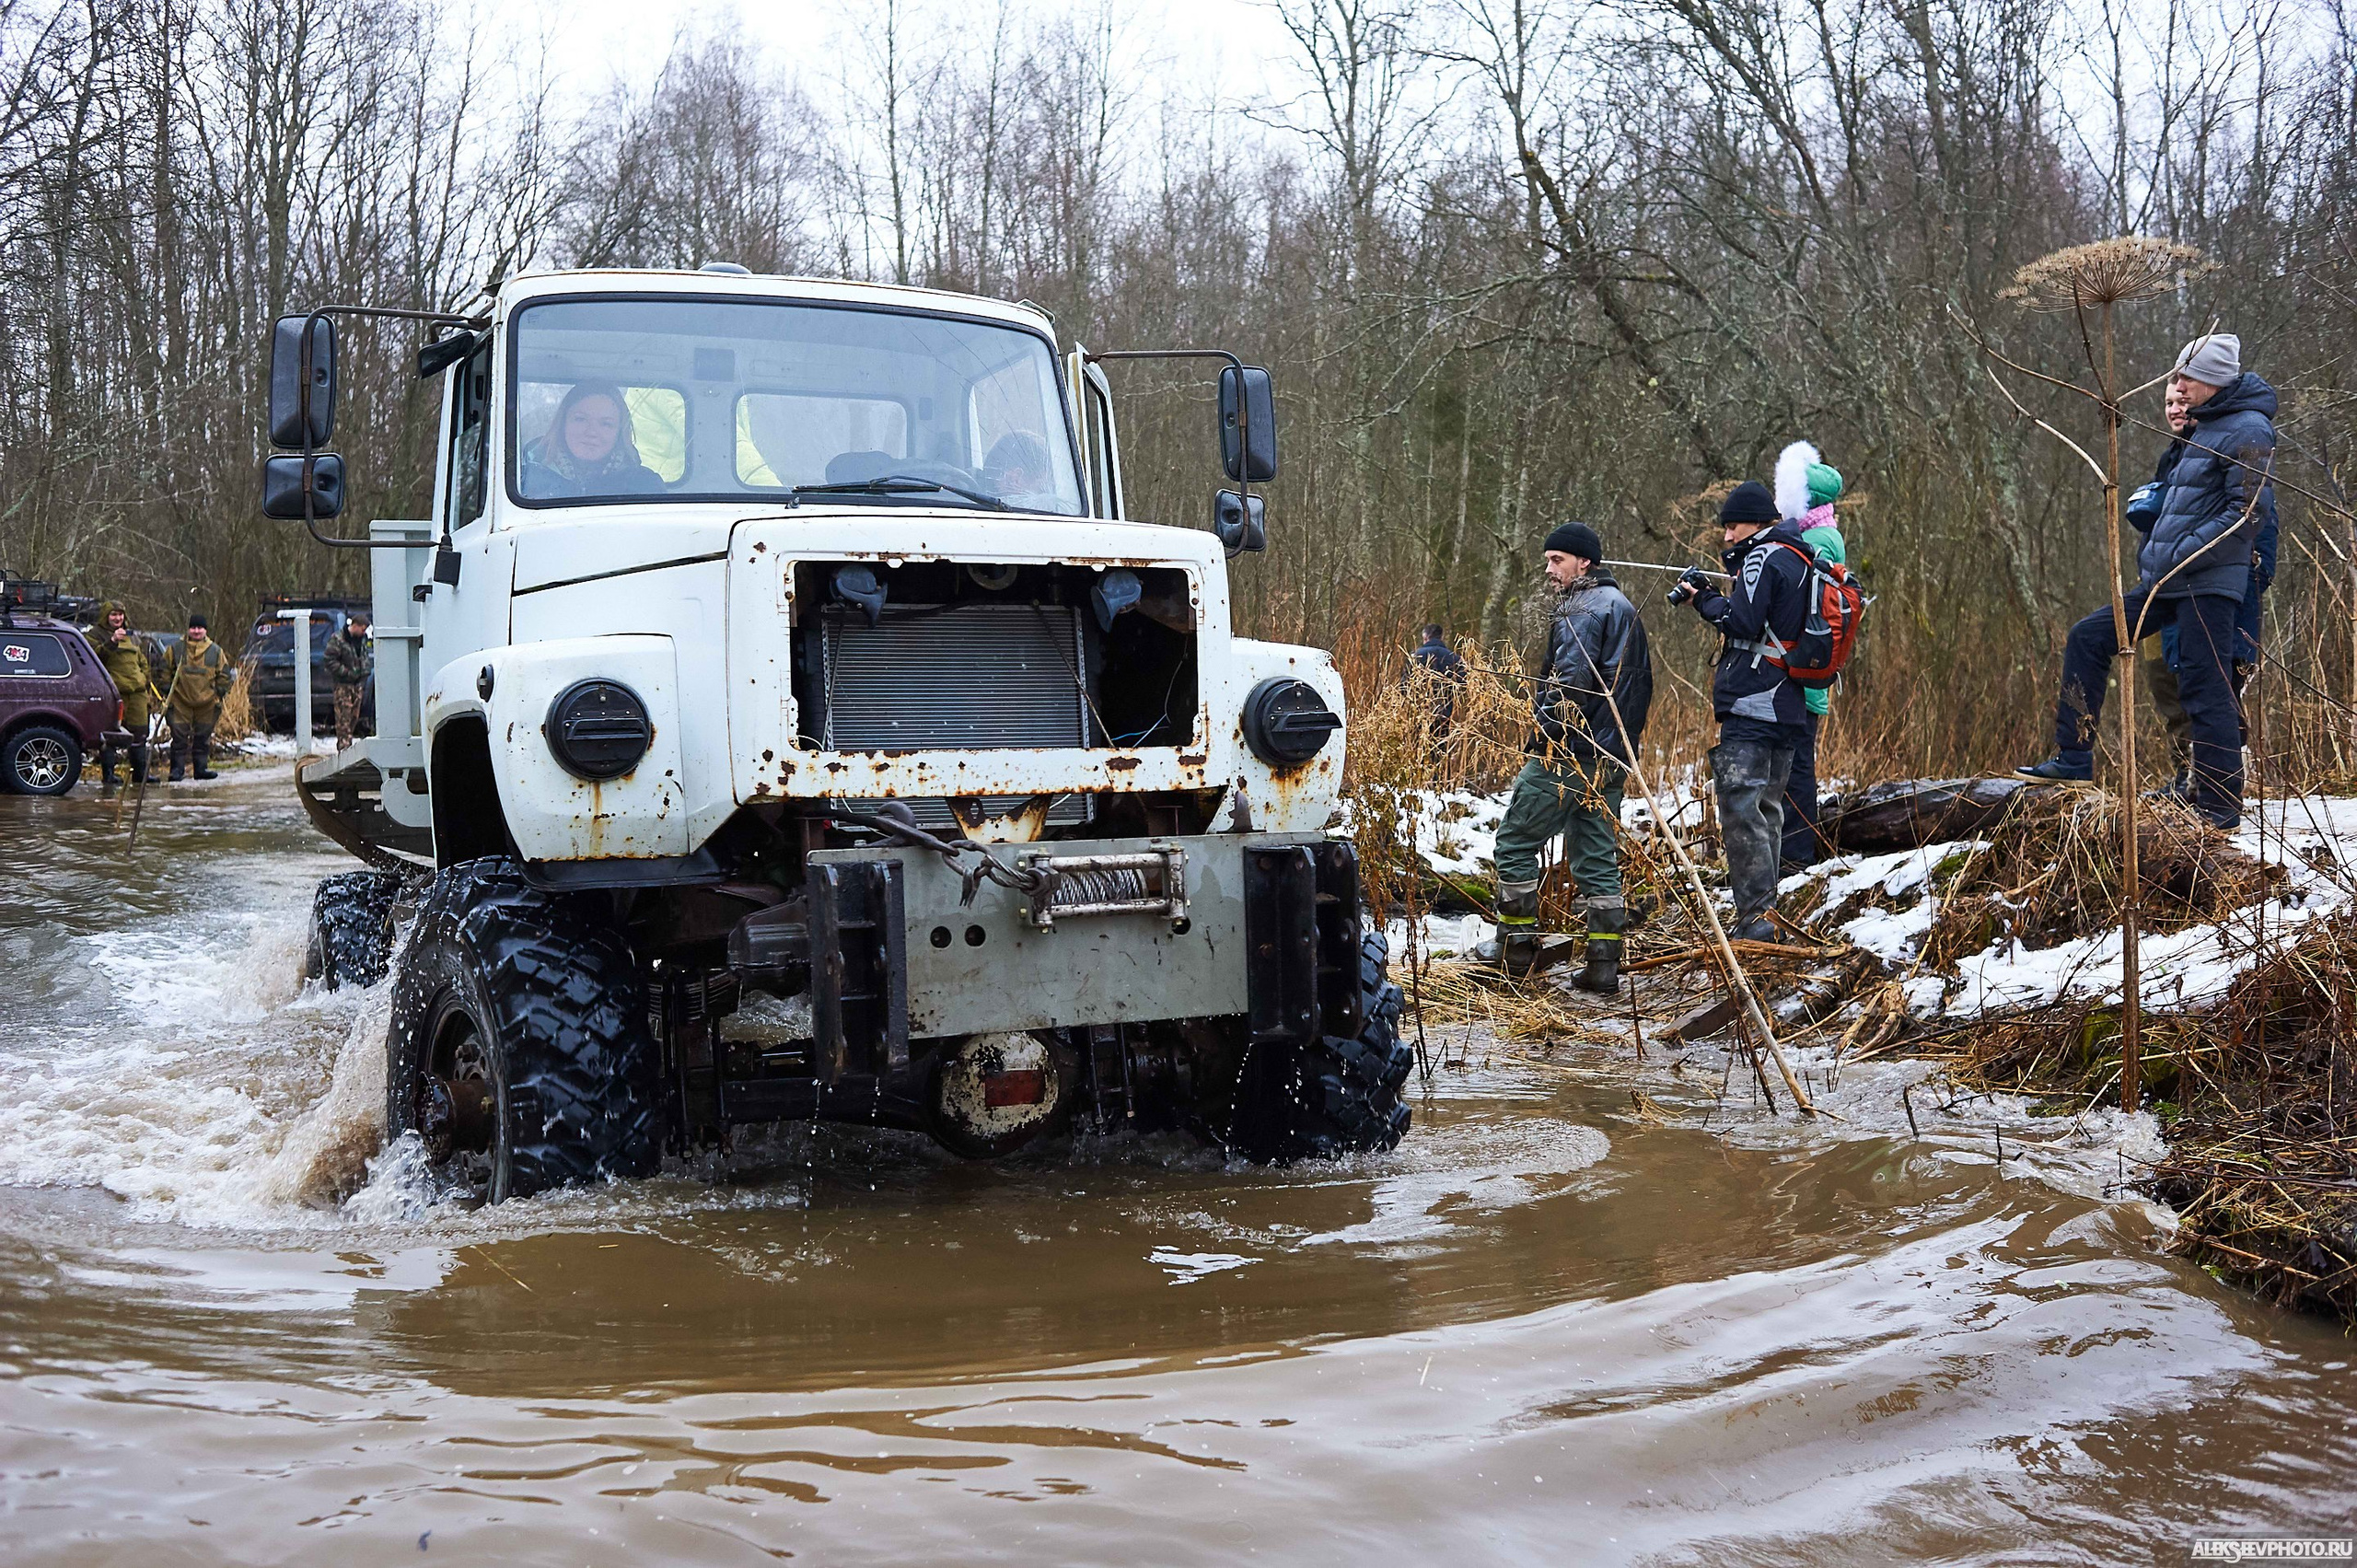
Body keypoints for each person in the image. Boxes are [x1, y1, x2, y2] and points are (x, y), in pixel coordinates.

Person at [2018, 333, 2276, 829]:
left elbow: (2247, 513)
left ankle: (2220, 808)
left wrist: (2182, 552)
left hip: (2207, 581)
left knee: (2205, 689)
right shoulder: (2201, 429)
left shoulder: (2249, 428)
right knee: (2089, 637)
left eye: (2186, 377)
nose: (2177, 386)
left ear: (2214, 379)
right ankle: (2073, 759)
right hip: (2166, 579)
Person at [1479, 521, 1654, 990]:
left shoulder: (1583, 607)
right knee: (1596, 856)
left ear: (1585, 563)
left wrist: (1546, 735)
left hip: (1568, 755)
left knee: (1514, 842)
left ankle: (1513, 952)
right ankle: (1602, 965)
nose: (1549, 569)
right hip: (1611, 757)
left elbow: (1568, 687)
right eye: (1548, 560)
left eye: (1558, 560)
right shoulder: (1623, 607)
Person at [1672, 482, 1813, 943]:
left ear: (1755, 521)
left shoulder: (1763, 556)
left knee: (1742, 811)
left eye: (1732, 526)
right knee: (1768, 808)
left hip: (1754, 702)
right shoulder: (1800, 556)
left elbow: (1742, 622)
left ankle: (1754, 921)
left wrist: (1703, 600)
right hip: (1788, 702)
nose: (1728, 536)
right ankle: (1766, 917)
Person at [2138, 377, 2279, 801]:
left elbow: (2256, 523)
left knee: (2212, 689)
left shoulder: (2233, 445)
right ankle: (2188, 777)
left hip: (2214, 592)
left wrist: (2244, 584)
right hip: (2162, 592)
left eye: (2183, 399)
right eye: (2168, 402)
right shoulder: (2175, 458)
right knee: (2168, 687)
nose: (2176, 408)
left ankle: (2219, 787)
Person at [1771, 442, 1847, 871]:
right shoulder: (1821, 533)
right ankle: (1793, 851)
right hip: (1806, 674)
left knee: (1797, 767)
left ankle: (1798, 855)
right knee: (1795, 762)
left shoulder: (1816, 539)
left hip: (1804, 677)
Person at [517, 382, 665, 499]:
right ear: (562, 424)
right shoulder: (523, 479)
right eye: (580, 419)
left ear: (619, 432)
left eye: (606, 424)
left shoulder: (645, 486)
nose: (592, 432)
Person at [158, 612, 235, 781]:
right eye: (193, 628)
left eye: (200, 628)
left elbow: (224, 674)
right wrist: (165, 687)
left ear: (205, 630)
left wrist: (220, 691)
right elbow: (163, 669)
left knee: (203, 737)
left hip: (207, 702)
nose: (196, 631)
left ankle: (201, 769)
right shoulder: (176, 648)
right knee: (178, 738)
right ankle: (176, 770)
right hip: (180, 701)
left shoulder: (215, 651)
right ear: (188, 629)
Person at [92, 600, 153, 796]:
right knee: (111, 734)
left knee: (140, 732)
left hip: (137, 693)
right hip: (113, 693)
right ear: (105, 616)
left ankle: (140, 774)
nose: (118, 618)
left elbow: (142, 662)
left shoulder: (132, 638)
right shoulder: (93, 635)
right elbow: (93, 659)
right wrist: (111, 642)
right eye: (113, 615)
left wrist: (143, 679)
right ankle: (109, 775)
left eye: (120, 615)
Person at [1404, 623, 1467, 738]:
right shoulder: (1454, 658)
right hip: (1443, 714)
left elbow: (1404, 686)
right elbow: (1463, 685)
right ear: (1441, 637)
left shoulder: (1415, 657)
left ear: (1425, 637)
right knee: (1438, 751)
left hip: (1419, 713)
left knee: (1416, 749)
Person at [325, 611, 372, 750]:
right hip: (343, 685)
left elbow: (364, 657)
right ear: (355, 625)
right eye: (362, 628)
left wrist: (364, 671)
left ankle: (348, 746)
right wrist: (345, 672)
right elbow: (329, 660)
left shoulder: (362, 640)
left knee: (353, 717)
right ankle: (343, 748)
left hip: (357, 685)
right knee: (343, 720)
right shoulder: (338, 639)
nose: (363, 632)